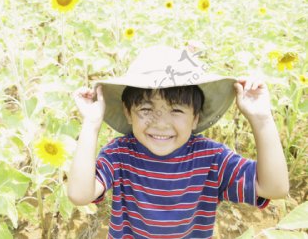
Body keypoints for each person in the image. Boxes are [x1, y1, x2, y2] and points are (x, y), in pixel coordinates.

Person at [67, 45, 289, 239]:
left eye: (176, 110)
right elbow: (80, 194)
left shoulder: (211, 158)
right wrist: (91, 123)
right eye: (146, 109)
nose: (161, 123)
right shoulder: (119, 154)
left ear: (195, 117)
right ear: (128, 112)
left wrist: (261, 119)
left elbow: (275, 188)